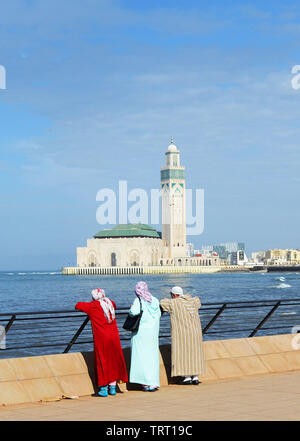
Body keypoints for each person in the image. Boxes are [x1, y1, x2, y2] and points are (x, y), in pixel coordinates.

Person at [75, 288, 128, 397]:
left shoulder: (93, 306)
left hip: (101, 338)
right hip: (114, 336)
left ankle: (103, 388)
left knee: (102, 360)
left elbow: (78, 305)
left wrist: (92, 302)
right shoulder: (110, 303)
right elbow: (114, 304)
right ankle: (112, 388)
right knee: (113, 360)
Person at [160, 286, 205, 385]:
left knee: (183, 353)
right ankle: (195, 377)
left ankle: (187, 377)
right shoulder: (193, 301)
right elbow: (198, 302)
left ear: (174, 295)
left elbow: (162, 303)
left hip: (183, 332)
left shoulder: (173, 303)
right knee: (195, 353)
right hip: (196, 332)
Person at [129, 281, 161, 392]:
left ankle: (145, 383)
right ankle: (154, 383)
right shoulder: (155, 300)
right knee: (152, 357)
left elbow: (134, 312)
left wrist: (131, 308)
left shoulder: (138, 300)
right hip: (153, 333)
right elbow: (159, 314)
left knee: (141, 357)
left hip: (141, 333)